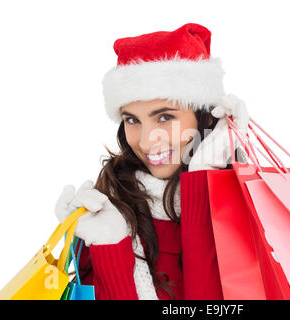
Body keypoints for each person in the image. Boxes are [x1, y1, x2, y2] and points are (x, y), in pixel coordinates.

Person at [54, 23, 250, 300]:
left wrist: (203, 179)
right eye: (132, 120)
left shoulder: (250, 204)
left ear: (204, 115)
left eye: (165, 117)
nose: (146, 142)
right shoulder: (105, 212)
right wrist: (110, 246)